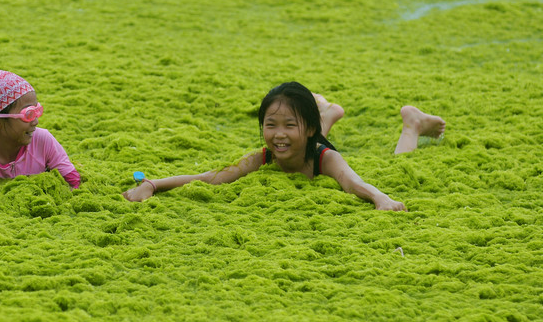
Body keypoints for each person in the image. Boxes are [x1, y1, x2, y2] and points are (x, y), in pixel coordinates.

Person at [122, 81, 445, 211]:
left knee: (399, 163)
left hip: (315, 147)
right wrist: (151, 184)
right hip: (310, 134)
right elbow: (212, 178)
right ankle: (325, 114)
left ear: (307, 129)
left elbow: (353, 182)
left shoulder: (325, 158)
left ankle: (412, 124)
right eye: (269, 125)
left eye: (289, 124)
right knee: (290, 140)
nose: (277, 134)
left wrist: (382, 198)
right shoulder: (265, 156)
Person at [0, 70, 80, 188]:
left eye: (37, 111)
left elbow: (74, 181)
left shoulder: (42, 140)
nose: (35, 122)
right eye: (28, 114)